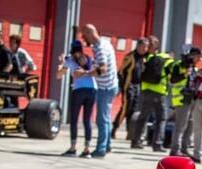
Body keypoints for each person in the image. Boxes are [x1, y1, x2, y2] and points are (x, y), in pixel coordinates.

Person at [81, 24, 117, 157]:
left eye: (85, 36)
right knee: (105, 117)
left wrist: (86, 74)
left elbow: (102, 69)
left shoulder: (100, 48)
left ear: (90, 34)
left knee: (101, 119)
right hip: (112, 84)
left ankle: (101, 149)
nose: (84, 39)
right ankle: (107, 145)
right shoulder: (105, 42)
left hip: (105, 87)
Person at [57, 40, 97, 158]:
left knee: (74, 120)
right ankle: (87, 149)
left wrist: (61, 63)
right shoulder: (89, 59)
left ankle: (73, 148)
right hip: (92, 90)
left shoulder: (70, 60)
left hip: (79, 90)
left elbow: (58, 75)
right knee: (87, 120)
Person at [131, 35, 172, 152]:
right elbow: (172, 72)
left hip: (145, 91)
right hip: (159, 92)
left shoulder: (144, 58)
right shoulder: (165, 57)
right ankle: (157, 144)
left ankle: (136, 141)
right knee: (161, 119)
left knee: (142, 117)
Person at [168, 46, 201, 157]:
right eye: (196, 56)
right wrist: (184, 74)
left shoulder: (194, 69)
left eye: (198, 56)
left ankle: (185, 148)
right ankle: (175, 149)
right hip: (181, 99)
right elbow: (172, 80)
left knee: (190, 125)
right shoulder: (178, 65)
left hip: (191, 99)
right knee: (180, 125)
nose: (198, 58)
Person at [114, 37, 148, 141]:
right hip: (129, 86)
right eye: (143, 47)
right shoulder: (130, 57)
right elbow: (120, 71)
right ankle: (114, 129)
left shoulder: (144, 58)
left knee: (133, 111)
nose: (144, 49)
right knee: (125, 109)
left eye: (146, 47)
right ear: (138, 46)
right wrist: (122, 86)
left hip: (138, 86)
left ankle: (130, 133)